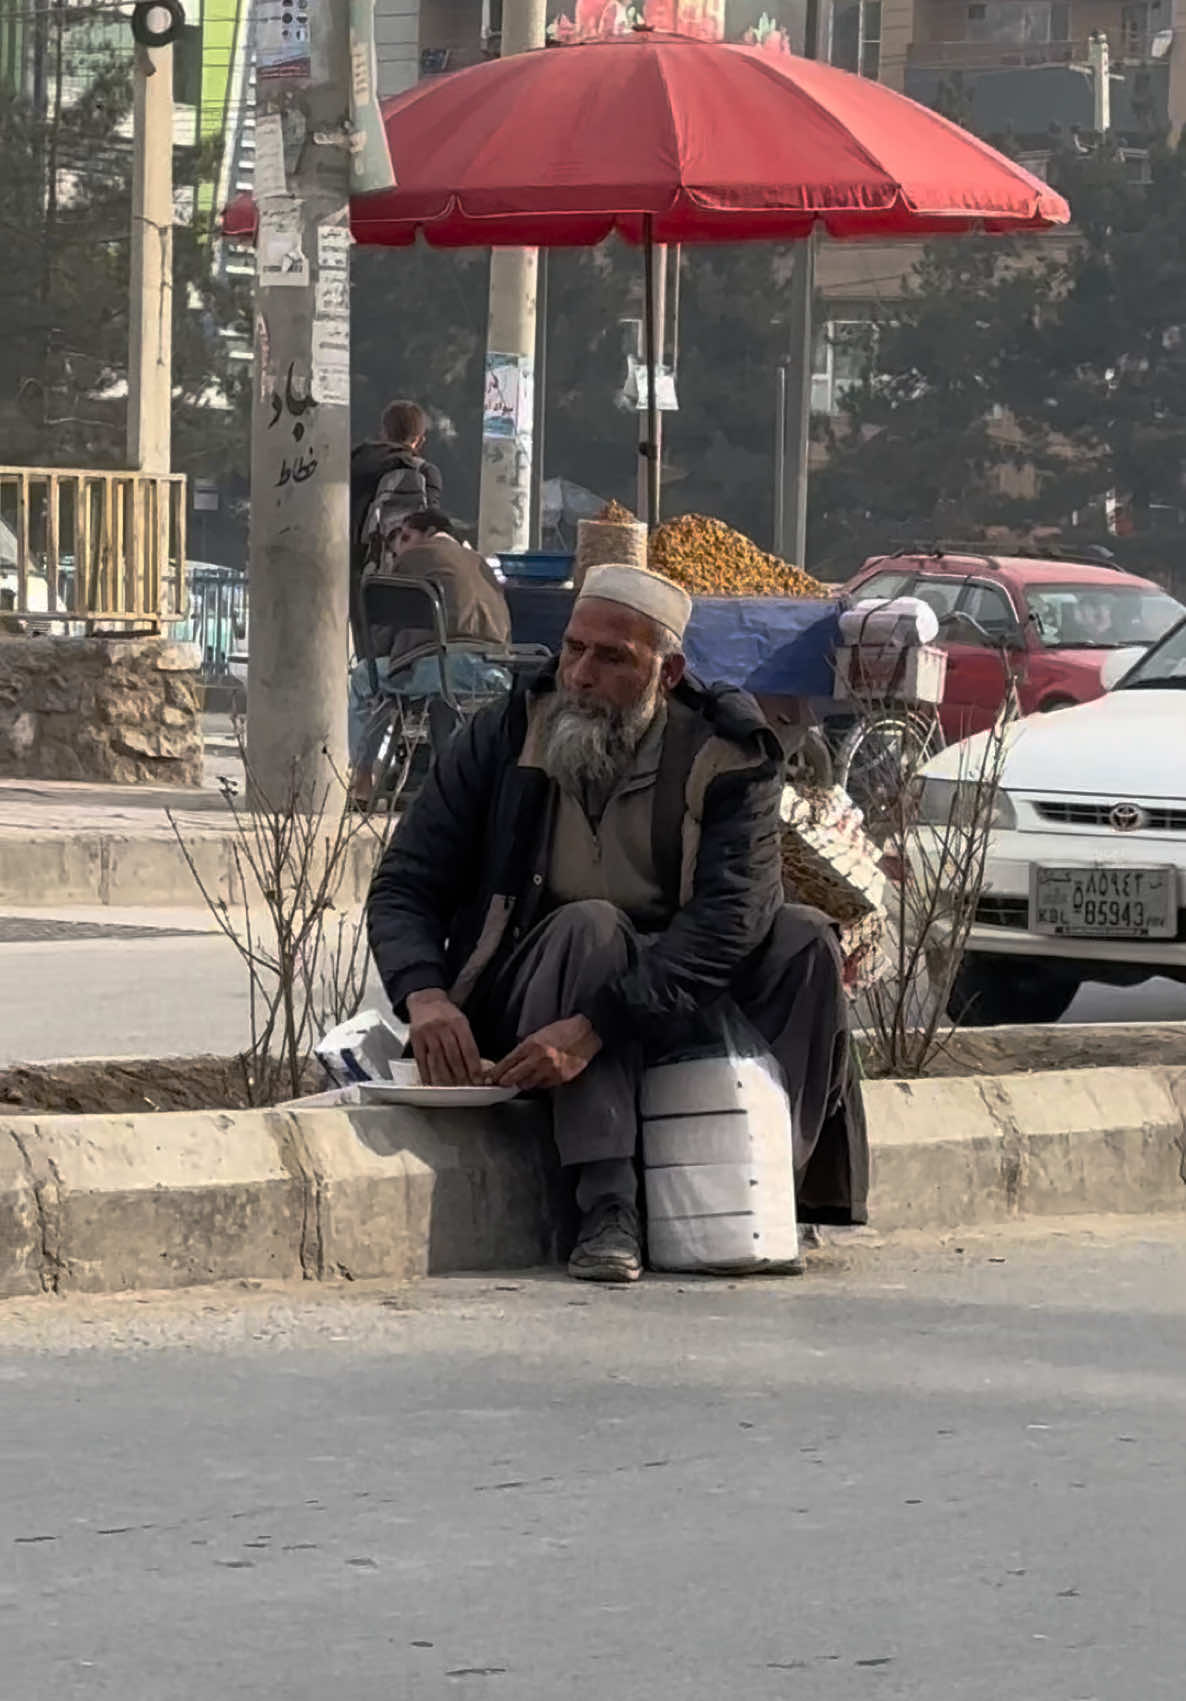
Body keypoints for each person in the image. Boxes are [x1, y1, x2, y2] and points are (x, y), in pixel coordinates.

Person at [367, 562, 868, 1284]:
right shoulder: (510, 731)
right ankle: (607, 1210)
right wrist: (425, 994)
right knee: (592, 925)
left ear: (667, 674)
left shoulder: (730, 752)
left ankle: (764, 1186)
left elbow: (733, 922)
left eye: (611, 658)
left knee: (806, 942)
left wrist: (601, 1022)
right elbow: (404, 881)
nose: (579, 675)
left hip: (676, 991)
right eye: (572, 649)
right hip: (543, 988)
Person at [349, 509, 512, 804]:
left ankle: (362, 778)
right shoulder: (479, 562)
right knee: (439, 699)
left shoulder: (415, 559)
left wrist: (385, 655)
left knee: (365, 678)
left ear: (429, 533)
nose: (401, 545)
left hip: (441, 666)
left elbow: (384, 629)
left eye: (407, 536)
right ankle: (443, 784)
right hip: (493, 670)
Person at [350, 401, 443, 653]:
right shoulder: (423, 472)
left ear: (384, 432)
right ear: (420, 440)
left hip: (359, 575)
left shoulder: (353, 464)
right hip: (407, 579)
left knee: (367, 660)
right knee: (400, 657)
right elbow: (430, 526)